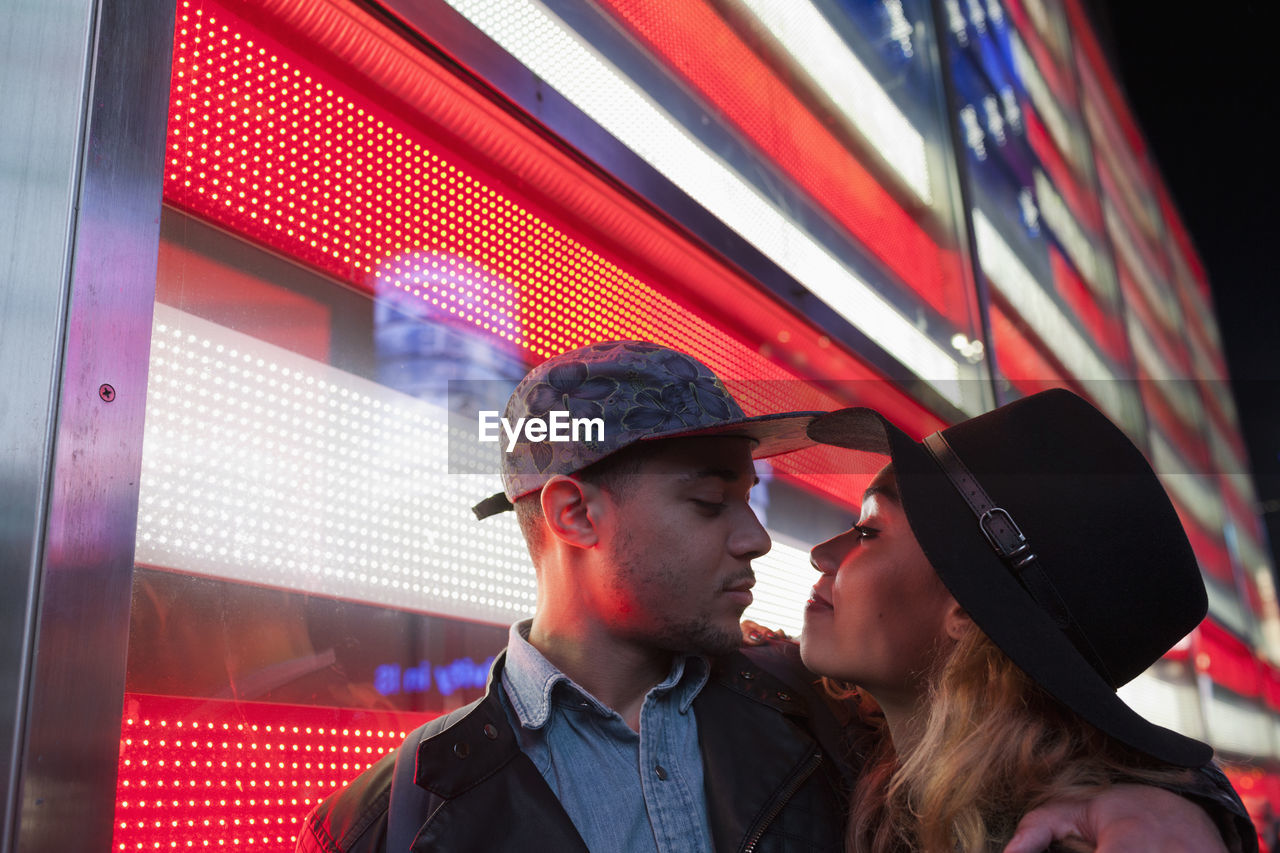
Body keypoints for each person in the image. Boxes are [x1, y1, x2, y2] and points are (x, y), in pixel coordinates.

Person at [296, 342, 1251, 853]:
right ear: (574, 514)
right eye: (712, 501)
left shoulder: (831, 713)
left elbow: (1039, 735)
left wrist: (1185, 810)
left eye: (749, 498)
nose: (760, 537)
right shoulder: (396, 814)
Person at [799, 389, 1256, 852]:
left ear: (965, 609)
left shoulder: (1055, 838)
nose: (821, 554)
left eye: (867, 530)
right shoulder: (830, 729)